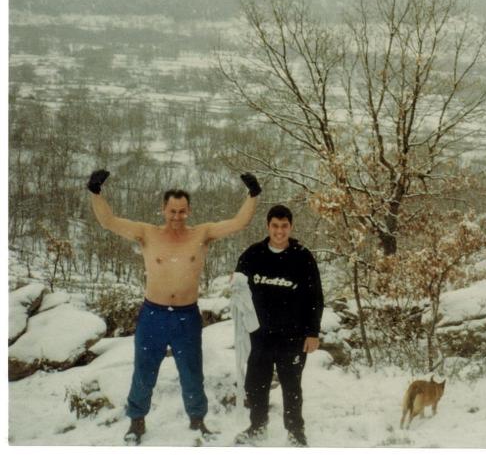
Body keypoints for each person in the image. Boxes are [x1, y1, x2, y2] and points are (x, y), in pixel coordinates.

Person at [87, 169, 261, 445]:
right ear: (163, 210)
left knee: (192, 372)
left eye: (182, 211)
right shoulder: (147, 233)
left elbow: (239, 222)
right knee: (144, 371)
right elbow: (108, 221)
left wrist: (253, 194)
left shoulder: (202, 234)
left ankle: (197, 420)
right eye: (172, 211)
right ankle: (136, 421)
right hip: (153, 315)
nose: (177, 217)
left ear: (188, 211)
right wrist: (95, 192)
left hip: (186, 316)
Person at [234, 204, 324, 447]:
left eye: (284, 226)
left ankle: (295, 432)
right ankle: (257, 426)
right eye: (275, 225)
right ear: (268, 226)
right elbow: (238, 289)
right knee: (256, 384)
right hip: (260, 335)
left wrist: (312, 333)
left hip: (292, 336)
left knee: (292, 386)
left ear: (291, 227)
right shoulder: (253, 255)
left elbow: (316, 297)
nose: (279, 231)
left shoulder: (302, 257)